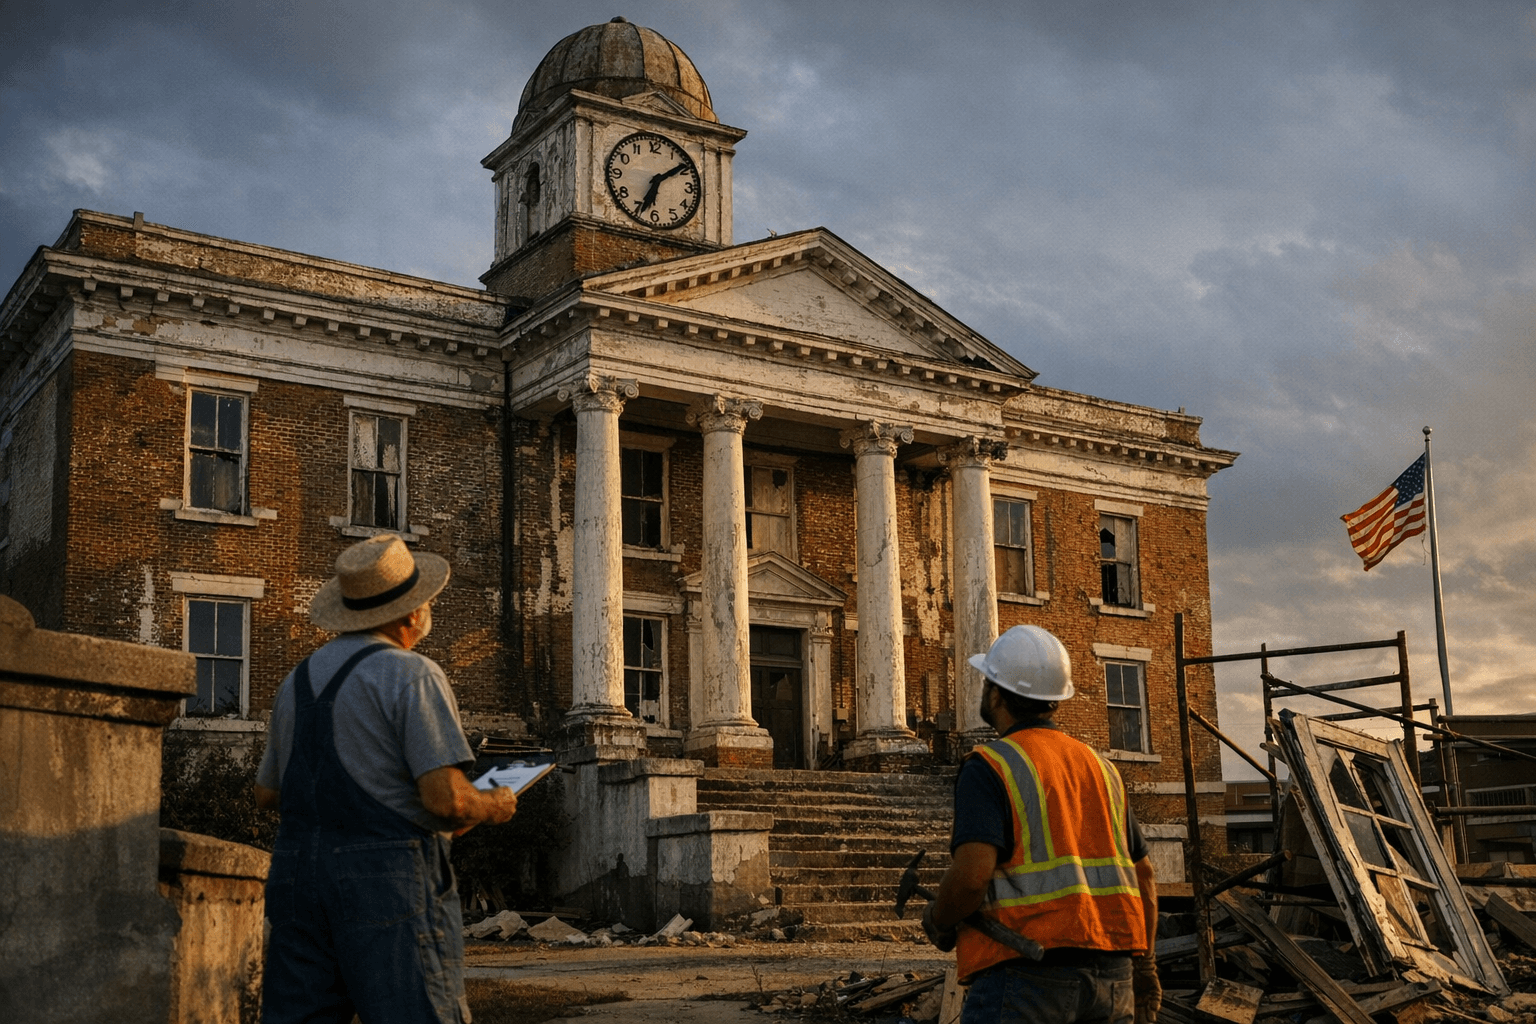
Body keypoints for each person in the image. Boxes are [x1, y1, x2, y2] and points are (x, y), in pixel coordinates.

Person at [255, 534, 518, 1024]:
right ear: (412, 614)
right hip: (386, 879)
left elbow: (267, 792)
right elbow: (447, 800)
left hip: (295, 876)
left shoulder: (296, 681)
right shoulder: (411, 674)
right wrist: (493, 803)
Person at [922, 625, 1160, 1024]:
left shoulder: (991, 766)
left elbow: (970, 878)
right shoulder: (1102, 768)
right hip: (1113, 978)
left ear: (996, 693)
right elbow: (1145, 878)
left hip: (1027, 976)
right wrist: (1146, 968)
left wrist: (941, 920)